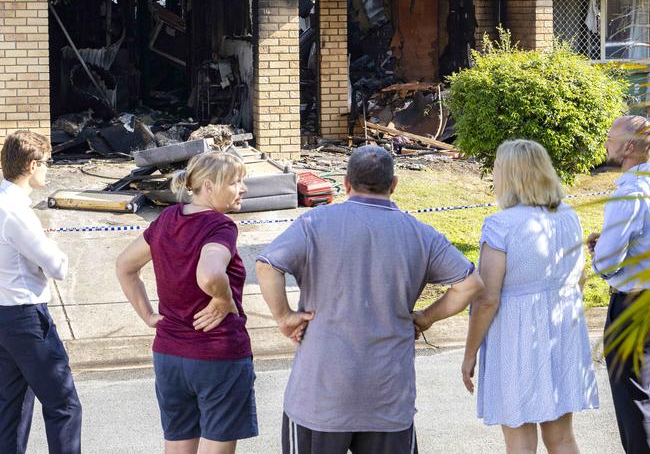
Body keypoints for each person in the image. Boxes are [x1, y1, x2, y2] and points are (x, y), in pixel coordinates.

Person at [256, 145, 483, 454]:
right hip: (388, 400)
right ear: (394, 185)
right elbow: (470, 284)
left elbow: (267, 265)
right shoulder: (421, 234)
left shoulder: (315, 223)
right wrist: (425, 318)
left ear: (346, 184)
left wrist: (284, 318)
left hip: (320, 398)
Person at [462, 139, 598, 454]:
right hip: (561, 328)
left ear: (509, 176)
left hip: (516, 336)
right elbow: (579, 279)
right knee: (562, 437)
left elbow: (487, 299)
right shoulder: (568, 216)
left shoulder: (501, 225)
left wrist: (470, 353)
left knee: (520, 439)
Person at [116, 152, 257, 454]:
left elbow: (125, 266)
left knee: (178, 446)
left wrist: (148, 316)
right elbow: (209, 273)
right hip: (217, 355)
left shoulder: (167, 218)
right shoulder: (220, 226)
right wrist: (223, 297)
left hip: (169, 355)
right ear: (208, 186)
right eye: (235, 182)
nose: (243, 188)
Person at [0, 130, 82, 454]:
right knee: (64, 405)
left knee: (12, 408)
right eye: (47, 163)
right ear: (32, 166)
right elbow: (57, 267)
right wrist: (51, 244)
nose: (48, 169)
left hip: (4, 316)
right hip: (26, 318)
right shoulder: (17, 212)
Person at [589, 115, 650, 454]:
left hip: (633, 304)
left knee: (634, 400)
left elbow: (610, 261)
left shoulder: (629, 193)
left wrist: (600, 256)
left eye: (610, 137)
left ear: (629, 147)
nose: (606, 142)